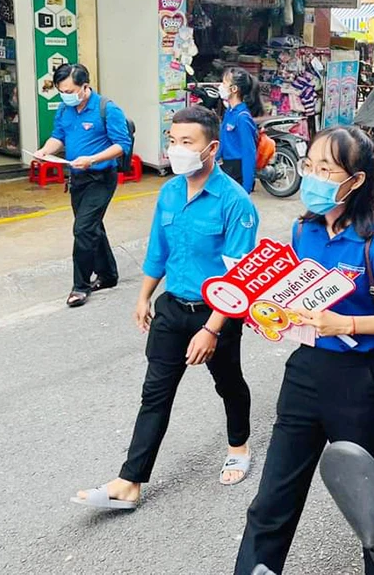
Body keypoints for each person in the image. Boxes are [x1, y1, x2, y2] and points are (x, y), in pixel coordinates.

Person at [235, 125, 374, 575]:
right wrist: (273, 315)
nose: (313, 177)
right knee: (271, 501)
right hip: (304, 374)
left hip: (357, 385)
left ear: (354, 180)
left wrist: (348, 323)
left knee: (371, 503)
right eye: (310, 165)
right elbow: (299, 300)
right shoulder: (303, 230)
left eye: (326, 169)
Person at [72, 106, 259, 511]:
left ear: (210, 148)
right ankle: (129, 481)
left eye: (186, 142)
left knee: (228, 382)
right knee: (154, 393)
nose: (176, 149)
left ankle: (239, 446)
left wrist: (212, 330)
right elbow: (159, 249)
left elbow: (239, 275)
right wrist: (142, 297)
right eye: (172, 141)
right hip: (172, 307)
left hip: (218, 313)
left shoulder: (235, 202)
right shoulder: (170, 192)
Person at [33, 63, 131, 307]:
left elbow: (122, 145)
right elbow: (58, 136)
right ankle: (108, 275)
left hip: (101, 177)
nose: (65, 95)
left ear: (84, 86)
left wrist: (92, 159)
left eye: (69, 90)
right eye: (61, 90)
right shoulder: (64, 110)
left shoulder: (107, 109)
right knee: (91, 227)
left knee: (83, 229)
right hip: (76, 178)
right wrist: (45, 151)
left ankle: (80, 285)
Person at [218, 67, 263, 193]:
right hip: (226, 167)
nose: (220, 86)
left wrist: (246, 187)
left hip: (237, 170)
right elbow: (223, 139)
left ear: (234, 89)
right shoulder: (229, 112)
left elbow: (249, 153)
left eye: (224, 83)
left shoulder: (242, 118)